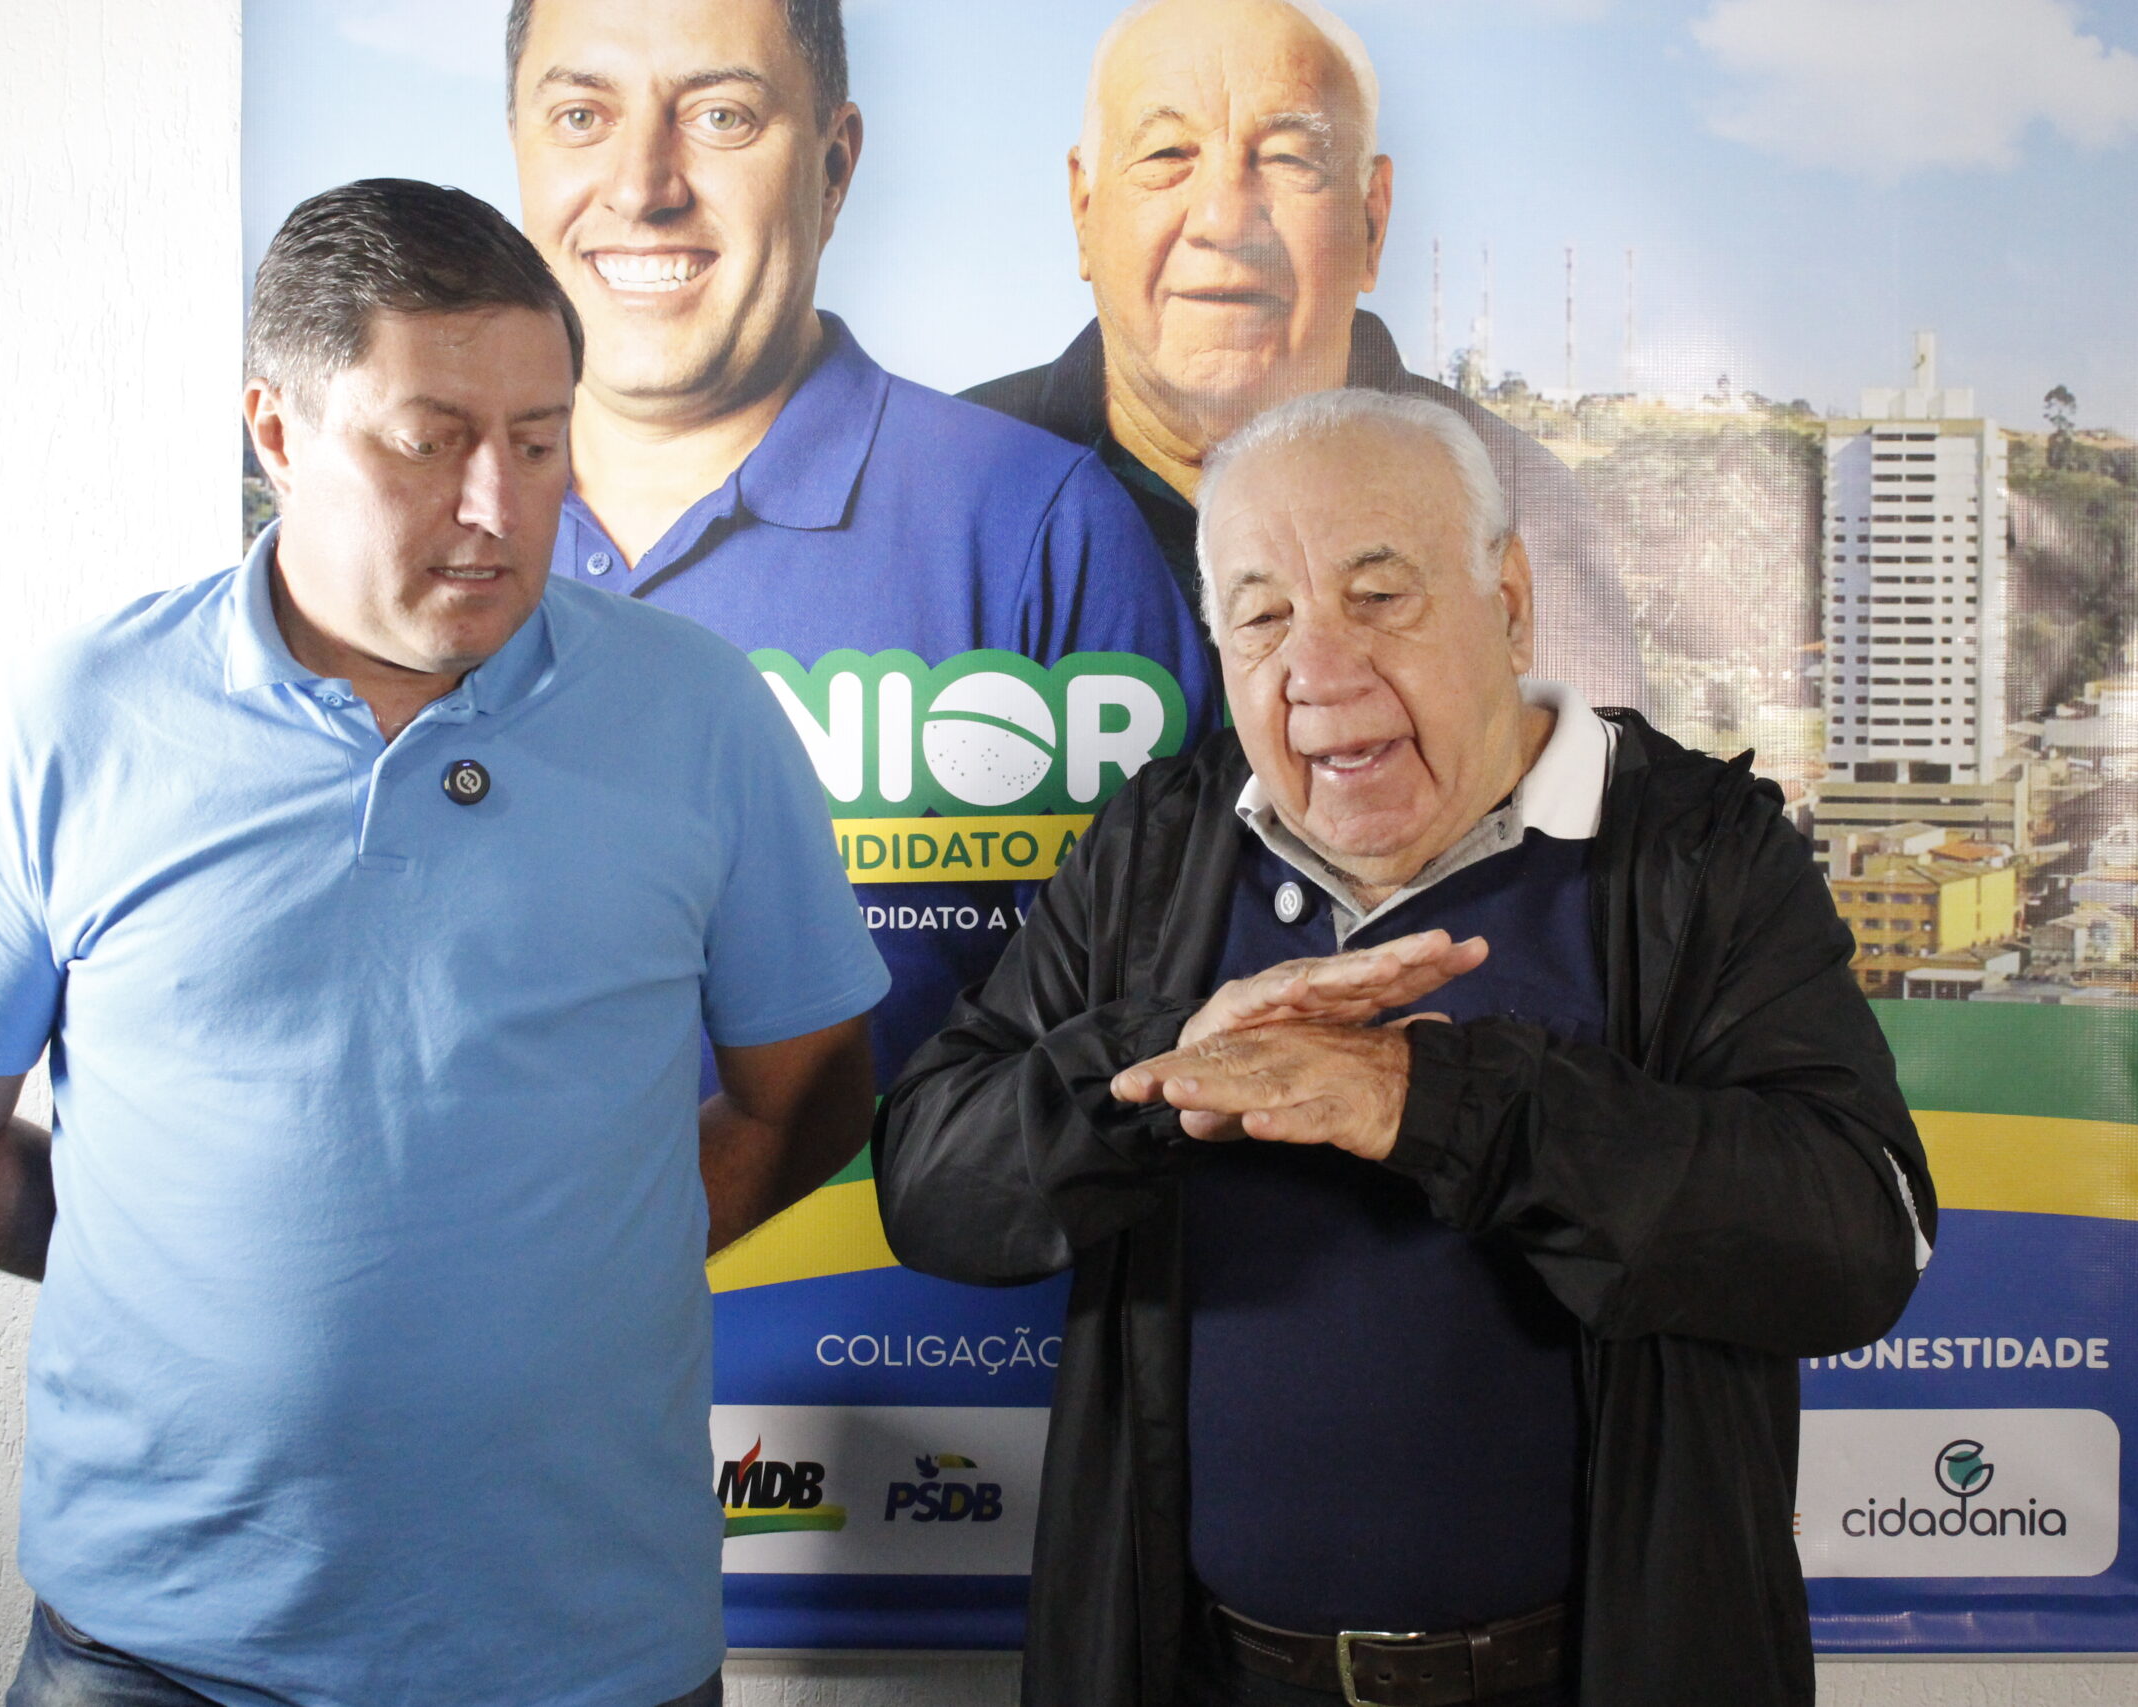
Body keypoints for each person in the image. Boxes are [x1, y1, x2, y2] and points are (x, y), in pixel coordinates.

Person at [0, 180, 888, 1707]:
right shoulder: (71, 718)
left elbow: (811, 1095)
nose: (499, 503)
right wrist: (184, 1269)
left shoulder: (702, 711)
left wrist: (575, 1265)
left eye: (538, 439)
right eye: (429, 440)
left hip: (590, 1647)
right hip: (157, 1653)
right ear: (274, 430)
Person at [875, 390, 1933, 1707]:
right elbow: (930, 1180)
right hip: (1204, 1673)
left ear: (1510, 603)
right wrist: (1163, 1065)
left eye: (1378, 598)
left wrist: (1433, 1100)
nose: (1319, 671)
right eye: (1263, 616)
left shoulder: (1697, 853)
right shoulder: (1156, 848)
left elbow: (1854, 1238)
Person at [506, 0, 1215, 1088]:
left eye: (721, 116)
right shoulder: (415, 543)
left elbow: (1152, 1057)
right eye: (580, 116)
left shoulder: (1035, 531)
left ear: (834, 168)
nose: (642, 187)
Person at [963, 0, 1643, 707]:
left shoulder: (1518, 503)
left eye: (1289, 159)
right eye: (1167, 156)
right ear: (1083, 209)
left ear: (1372, 220)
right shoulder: (943, 489)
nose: (1224, 220)